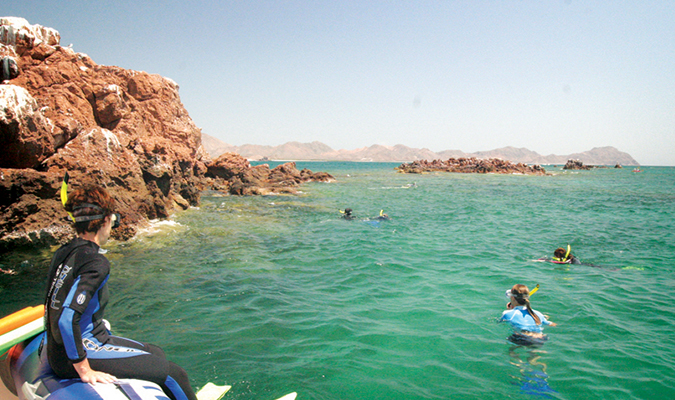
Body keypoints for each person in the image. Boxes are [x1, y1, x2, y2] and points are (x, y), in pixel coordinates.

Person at [45, 185, 197, 400]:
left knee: (156, 353)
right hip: (80, 350)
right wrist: (84, 369)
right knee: (175, 374)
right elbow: (67, 319)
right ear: (106, 220)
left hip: (66, 346)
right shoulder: (96, 262)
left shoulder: (65, 251)